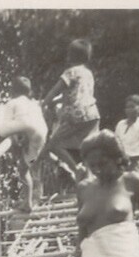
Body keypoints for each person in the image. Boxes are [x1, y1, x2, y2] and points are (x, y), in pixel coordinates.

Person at [0, 76, 48, 212]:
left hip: (24, 126)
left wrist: (15, 139)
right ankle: (28, 202)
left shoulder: (12, 102)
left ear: (12, 91)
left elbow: (8, 124)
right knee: (24, 169)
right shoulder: (34, 104)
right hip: (41, 133)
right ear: (29, 92)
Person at [42, 39, 100, 179]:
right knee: (87, 148)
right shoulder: (88, 73)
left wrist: (43, 104)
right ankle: (88, 178)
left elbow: (55, 91)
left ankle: (75, 169)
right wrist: (55, 102)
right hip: (92, 113)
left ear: (70, 56)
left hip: (76, 114)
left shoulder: (70, 72)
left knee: (53, 144)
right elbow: (75, 94)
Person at [115, 94, 139, 175]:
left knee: (138, 181)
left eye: (132, 107)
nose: (129, 110)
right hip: (122, 162)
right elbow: (116, 141)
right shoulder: (120, 124)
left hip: (136, 162)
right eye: (127, 107)